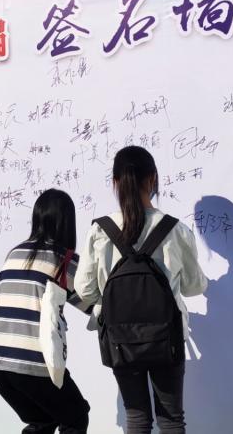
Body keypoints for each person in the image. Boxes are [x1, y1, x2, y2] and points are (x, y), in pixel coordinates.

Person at [74, 146, 209, 434]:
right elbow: (194, 286)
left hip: (120, 340)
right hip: (167, 337)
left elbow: (84, 290)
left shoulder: (100, 230)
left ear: (115, 182)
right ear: (153, 178)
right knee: (171, 419)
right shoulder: (175, 229)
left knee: (136, 418)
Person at [0, 189, 93, 434]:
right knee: (75, 417)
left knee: (43, 420)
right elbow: (92, 305)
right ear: (66, 222)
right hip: (30, 362)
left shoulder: (15, 253)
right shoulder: (64, 259)